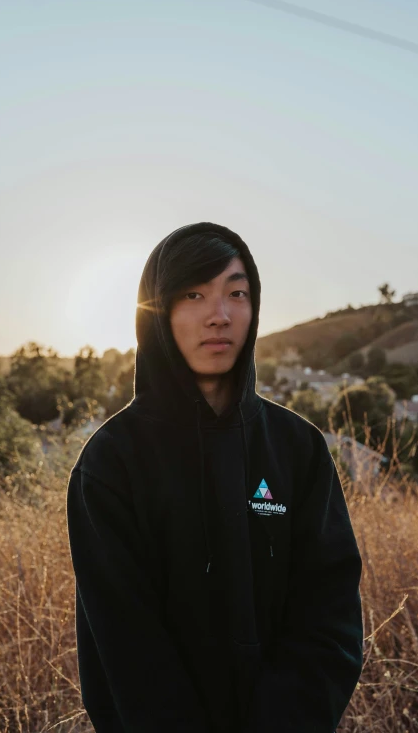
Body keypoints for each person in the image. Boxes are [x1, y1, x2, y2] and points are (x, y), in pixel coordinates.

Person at [66, 221, 364, 733]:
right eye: (193, 294)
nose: (219, 315)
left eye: (237, 293)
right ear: (156, 314)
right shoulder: (111, 464)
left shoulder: (298, 448)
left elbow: (329, 617)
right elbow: (125, 648)